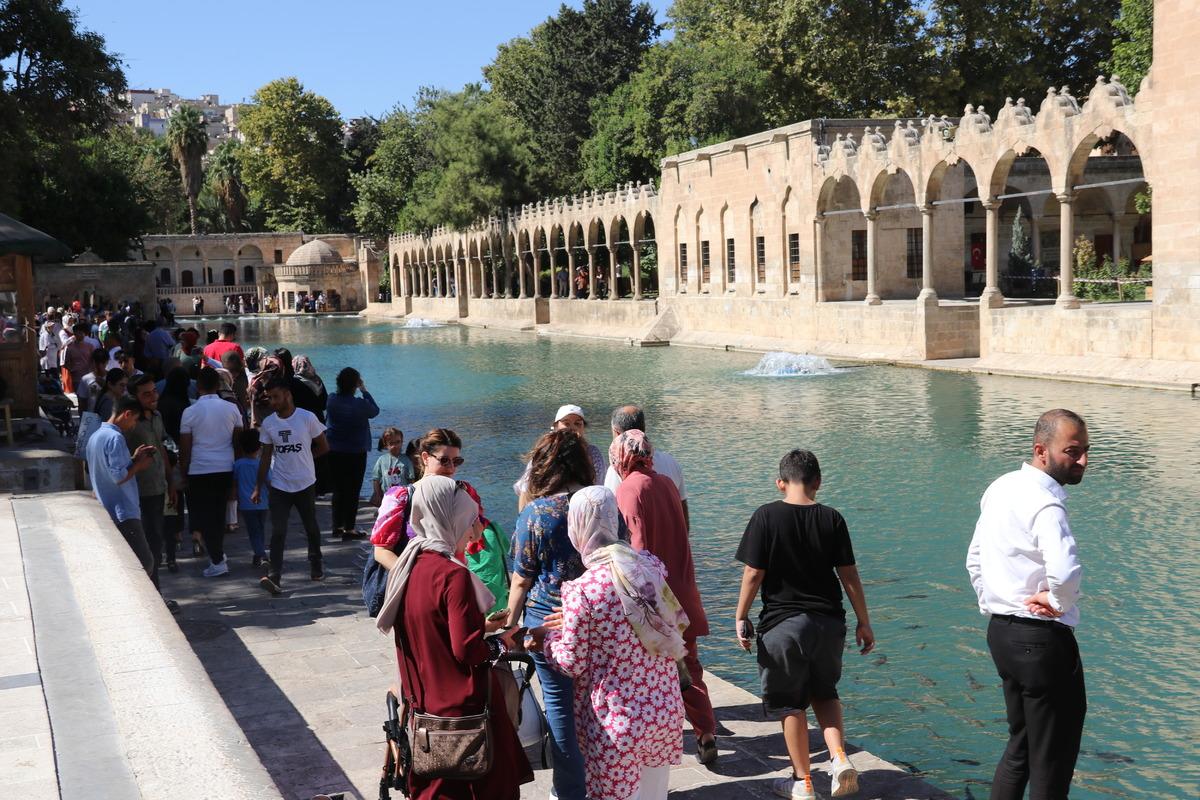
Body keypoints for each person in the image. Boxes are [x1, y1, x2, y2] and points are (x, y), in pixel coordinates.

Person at [375, 476, 533, 800]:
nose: (472, 529)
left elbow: (429, 629)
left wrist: (483, 627)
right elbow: (467, 652)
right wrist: (507, 643)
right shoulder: (453, 575)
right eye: (467, 520)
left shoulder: (409, 566)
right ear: (450, 518)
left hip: (425, 712)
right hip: (467, 714)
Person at [528, 487, 687, 800]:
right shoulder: (649, 566)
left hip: (616, 723)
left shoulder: (582, 590)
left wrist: (546, 640)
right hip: (662, 709)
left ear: (577, 526)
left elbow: (570, 662)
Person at [734, 449, 874, 800]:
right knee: (825, 692)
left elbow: (753, 573)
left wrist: (740, 615)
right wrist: (864, 621)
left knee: (790, 704)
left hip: (783, 627)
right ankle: (839, 758)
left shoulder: (766, 516)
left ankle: (803, 783)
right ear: (818, 482)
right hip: (828, 624)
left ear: (780, 482)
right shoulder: (833, 519)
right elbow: (849, 575)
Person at [966, 409, 1088, 800]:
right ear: (1041, 450)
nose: (1083, 460)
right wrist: (1056, 599)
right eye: (1072, 451)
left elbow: (974, 559)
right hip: (1042, 641)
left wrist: (995, 603)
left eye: (1086, 450)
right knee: (1052, 759)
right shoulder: (1046, 503)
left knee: (1020, 745)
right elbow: (1067, 572)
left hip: (1002, 634)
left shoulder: (1000, 487)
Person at [610, 429, 719, 765]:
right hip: (683, 590)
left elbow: (639, 547)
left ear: (622, 457)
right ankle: (705, 732)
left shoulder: (629, 489)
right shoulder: (666, 483)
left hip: (657, 598)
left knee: (662, 670)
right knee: (690, 666)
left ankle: (659, 739)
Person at [505, 428, 593, 800]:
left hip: (548, 625)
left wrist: (509, 625)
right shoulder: (597, 503)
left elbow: (521, 580)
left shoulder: (538, 513)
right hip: (594, 616)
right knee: (593, 707)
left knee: (560, 711)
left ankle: (570, 791)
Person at [254, 377, 330, 594]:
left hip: (305, 483)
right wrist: (258, 486)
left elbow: (324, 446)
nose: (273, 402)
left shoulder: (307, 418)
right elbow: (266, 458)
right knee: (278, 530)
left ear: (287, 394)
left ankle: (316, 563)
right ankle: (275, 576)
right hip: (279, 485)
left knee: (311, 527)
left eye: (276, 397)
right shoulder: (269, 424)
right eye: (270, 398)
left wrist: (306, 458)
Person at [179, 367, 244, 577]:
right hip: (225, 467)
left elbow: (185, 448)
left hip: (199, 470)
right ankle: (218, 554)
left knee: (205, 517)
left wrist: (184, 472)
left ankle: (217, 560)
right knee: (218, 514)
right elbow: (238, 442)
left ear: (197, 387)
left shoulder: (189, 412)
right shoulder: (232, 409)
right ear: (218, 385)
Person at [85, 394, 158, 579]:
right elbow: (118, 476)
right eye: (133, 420)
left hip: (108, 508)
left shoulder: (95, 436)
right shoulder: (115, 437)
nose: (133, 425)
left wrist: (132, 459)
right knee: (144, 562)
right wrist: (139, 466)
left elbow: (109, 469)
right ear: (126, 414)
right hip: (123, 510)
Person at [125, 375, 177, 593]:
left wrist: (171, 481)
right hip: (138, 490)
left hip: (159, 488)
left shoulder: (157, 416)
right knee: (146, 544)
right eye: (146, 393)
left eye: (154, 391)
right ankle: (150, 592)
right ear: (135, 397)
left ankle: (156, 590)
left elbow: (162, 448)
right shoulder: (130, 424)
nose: (153, 396)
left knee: (157, 542)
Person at [604, 404, 691, 529]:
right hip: (671, 544)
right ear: (644, 429)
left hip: (639, 546)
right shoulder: (671, 462)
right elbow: (683, 513)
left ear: (617, 433)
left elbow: (611, 515)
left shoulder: (616, 470)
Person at [514, 404, 606, 511]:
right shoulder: (545, 452)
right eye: (566, 423)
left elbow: (599, 487)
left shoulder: (593, 453)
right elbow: (526, 492)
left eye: (578, 424)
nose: (572, 428)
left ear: (583, 428)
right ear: (556, 426)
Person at [324, 366, 379, 539]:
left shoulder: (331, 400)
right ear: (355, 384)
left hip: (334, 451)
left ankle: (336, 526)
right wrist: (364, 390)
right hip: (356, 451)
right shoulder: (360, 405)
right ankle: (349, 528)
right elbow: (375, 411)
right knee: (353, 490)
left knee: (338, 489)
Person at [233, 428, 270, 568]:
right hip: (263, 502)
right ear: (259, 446)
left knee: (253, 530)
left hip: (246, 504)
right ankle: (259, 553)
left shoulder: (238, 465)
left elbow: (234, 483)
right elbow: (270, 481)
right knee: (260, 529)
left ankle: (260, 554)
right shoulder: (263, 464)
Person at [369, 427, 413, 507]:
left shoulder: (406, 460)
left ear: (402, 442)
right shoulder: (382, 460)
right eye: (391, 443)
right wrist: (377, 494)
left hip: (402, 497)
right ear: (386, 445)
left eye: (398, 442)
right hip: (386, 496)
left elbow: (411, 479)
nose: (395, 446)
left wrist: (410, 496)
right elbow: (376, 479)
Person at [60, 322, 95, 393]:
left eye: (81, 332)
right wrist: (73, 369)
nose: (80, 335)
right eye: (78, 333)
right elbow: (65, 363)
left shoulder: (90, 346)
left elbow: (94, 361)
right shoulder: (69, 348)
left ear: (84, 333)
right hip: (76, 379)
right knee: (80, 398)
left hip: (89, 378)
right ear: (74, 334)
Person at [76, 347, 110, 413]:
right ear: (93, 362)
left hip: (107, 416)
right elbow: (82, 402)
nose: (100, 366)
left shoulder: (112, 377)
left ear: (107, 362)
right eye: (98, 363)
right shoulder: (86, 379)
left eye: (103, 363)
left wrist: (105, 386)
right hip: (91, 417)